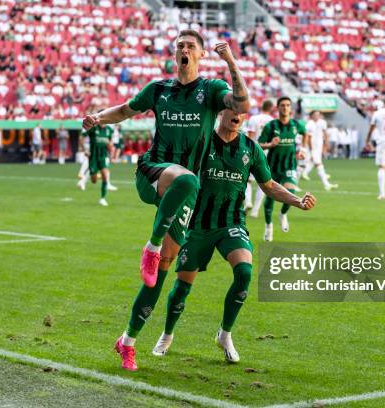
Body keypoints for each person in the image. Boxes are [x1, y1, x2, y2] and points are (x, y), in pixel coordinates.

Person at [83, 30, 250, 371]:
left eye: (190, 46)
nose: (184, 50)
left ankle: (127, 341)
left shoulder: (211, 90)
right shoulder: (158, 90)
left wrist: (230, 61)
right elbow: (127, 110)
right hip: (154, 173)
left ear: (201, 55)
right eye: (179, 46)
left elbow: (243, 104)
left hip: (183, 193)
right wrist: (98, 117)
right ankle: (152, 244)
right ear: (174, 55)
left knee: (159, 274)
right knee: (187, 178)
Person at [151, 109, 317, 363]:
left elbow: (269, 186)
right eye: (232, 109)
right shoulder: (202, 142)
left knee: (245, 273)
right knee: (183, 286)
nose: (237, 115)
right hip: (197, 225)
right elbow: (176, 176)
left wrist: (297, 200)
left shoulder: (250, 148)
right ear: (221, 112)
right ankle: (167, 333)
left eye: (242, 111)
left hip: (232, 223)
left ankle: (225, 334)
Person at [258, 97, 306, 242]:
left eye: (288, 105)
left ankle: (283, 214)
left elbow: (305, 134)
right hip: (272, 167)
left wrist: (301, 150)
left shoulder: (296, 125)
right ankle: (268, 227)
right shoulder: (271, 126)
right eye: (282, 105)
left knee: (290, 192)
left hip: (290, 165)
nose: (285, 108)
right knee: (270, 198)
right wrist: (270, 145)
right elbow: (259, 144)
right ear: (277, 108)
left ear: (291, 108)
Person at [244, 99, 273, 217]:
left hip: (254, 151)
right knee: (265, 182)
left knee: (247, 180)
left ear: (262, 106)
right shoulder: (272, 121)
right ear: (271, 108)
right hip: (268, 153)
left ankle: (248, 202)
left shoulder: (254, 119)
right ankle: (255, 211)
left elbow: (250, 136)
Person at [305, 110, 339, 192]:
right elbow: (308, 138)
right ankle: (326, 184)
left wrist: (326, 144)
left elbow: (325, 133)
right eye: (315, 114)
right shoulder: (309, 124)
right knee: (316, 164)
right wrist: (311, 149)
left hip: (318, 147)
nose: (317, 116)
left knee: (312, 164)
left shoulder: (322, 122)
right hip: (311, 147)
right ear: (311, 116)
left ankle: (326, 184)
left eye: (318, 114)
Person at [85, 122, 113, 206]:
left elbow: (109, 142)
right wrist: (85, 149)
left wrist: (110, 150)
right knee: (94, 181)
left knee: (105, 175)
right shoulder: (93, 129)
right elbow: (82, 137)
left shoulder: (109, 130)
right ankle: (91, 173)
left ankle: (102, 199)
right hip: (93, 157)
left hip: (103, 156)